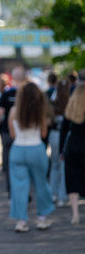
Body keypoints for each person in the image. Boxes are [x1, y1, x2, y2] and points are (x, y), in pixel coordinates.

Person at [8, 82, 54, 232]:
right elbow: (44, 134)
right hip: (36, 148)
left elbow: (12, 134)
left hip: (18, 148)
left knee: (19, 186)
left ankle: (21, 221)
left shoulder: (14, 111)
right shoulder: (40, 111)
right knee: (41, 184)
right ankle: (42, 218)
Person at [0, 66, 27, 195]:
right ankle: (23, 192)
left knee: (9, 164)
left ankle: (11, 191)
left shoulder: (7, 94)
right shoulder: (29, 93)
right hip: (25, 134)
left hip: (7, 133)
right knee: (24, 164)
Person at [61, 83, 85, 224]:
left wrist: (61, 151)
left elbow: (64, 132)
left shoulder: (70, 109)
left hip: (72, 148)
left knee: (72, 182)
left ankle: (75, 213)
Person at [49, 79, 70, 207]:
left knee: (55, 165)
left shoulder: (53, 103)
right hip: (66, 136)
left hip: (54, 136)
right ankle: (62, 196)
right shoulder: (71, 102)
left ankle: (53, 194)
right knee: (63, 167)